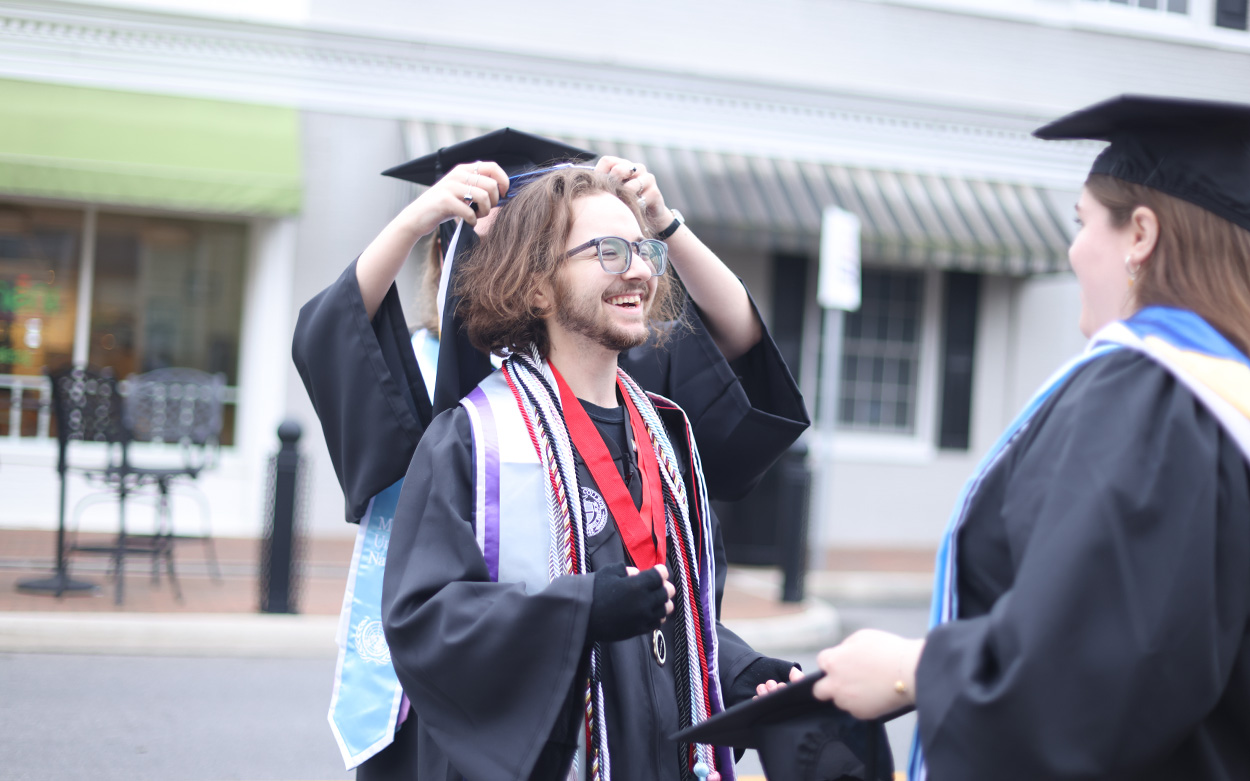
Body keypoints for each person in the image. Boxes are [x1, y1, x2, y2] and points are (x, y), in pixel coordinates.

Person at [292, 129, 809, 775]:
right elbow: (436, 619)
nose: (639, 269)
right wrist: (420, 216)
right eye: (607, 249)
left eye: (643, 251)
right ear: (528, 282)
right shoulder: (469, 435)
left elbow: (660, 611)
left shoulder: (658, 429)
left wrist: (733, 672)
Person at [810, 95, 1250, 780]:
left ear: (1141, 234)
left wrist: (909, 670)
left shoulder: (1153, 400)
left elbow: (1078, 683)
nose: (1073, 251)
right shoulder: (1227, 402)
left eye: (1082, 224)